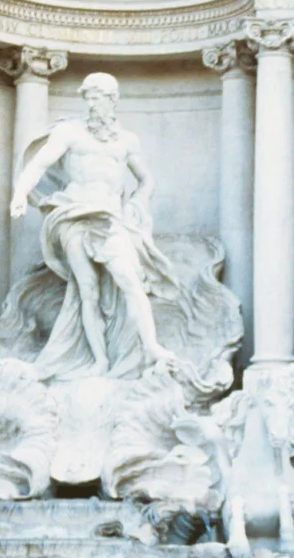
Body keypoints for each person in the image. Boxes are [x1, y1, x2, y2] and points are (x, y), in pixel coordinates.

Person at [10, 72, 179, 381]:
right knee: (86, 289)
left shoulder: (128, 141)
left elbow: (146, 179)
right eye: (87, 96)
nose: (90, 103)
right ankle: (99, 360)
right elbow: (39, 164)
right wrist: (21, 193)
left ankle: (152, 347)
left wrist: (138, 202)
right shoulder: (69, 132)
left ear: (112, 99)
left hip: (110, 217)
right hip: (74, 214)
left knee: (130, 280)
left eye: (96, 96)